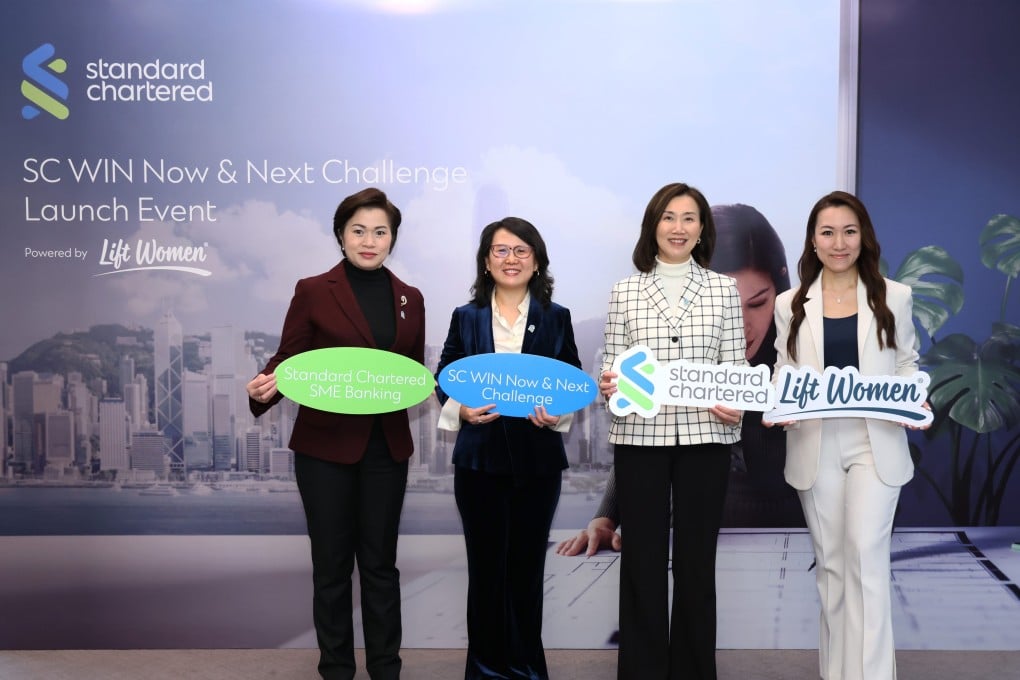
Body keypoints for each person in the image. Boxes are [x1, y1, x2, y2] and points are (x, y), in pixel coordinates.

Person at [246, 187, 424, 680]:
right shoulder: (312, 290)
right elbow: (290, 358)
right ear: (341, 235)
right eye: (359, 230)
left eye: (380, 232)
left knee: (381, 568)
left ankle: (387, 669)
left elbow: (411, 375)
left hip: (387, 448)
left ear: (393, 238)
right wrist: (266, 390)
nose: (370, 241)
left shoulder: (411, 298)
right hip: (324, 450)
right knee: (330, 570)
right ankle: (336, 670)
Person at [556, 203, 799, 558]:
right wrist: (606, 518)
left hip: (785, 540)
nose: (742, 326)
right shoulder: (670, 345)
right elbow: (641, 434)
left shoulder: (800, 352)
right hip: (679, 537)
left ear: (779, 289)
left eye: (757, 304)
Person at [766, 190, 925, 680]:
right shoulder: (790, 303)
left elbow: (906, 362)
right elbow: (784, 369)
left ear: (864, 238)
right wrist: (778, 405)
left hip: (874, 440)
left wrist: (910, 398)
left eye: (849, 231)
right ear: (813, 241)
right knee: (832, 566)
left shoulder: (893, 295)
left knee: (866, 557)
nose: (839, 242)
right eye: (828, 232)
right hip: (814, 442)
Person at [599, 183, 746, 679]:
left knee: (696, 562)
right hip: (640, 439)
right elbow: (611, 365)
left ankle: (693, 670)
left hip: (707, 438)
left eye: (689, 218)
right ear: (652, 225)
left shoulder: (724, 288)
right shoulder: (625, 290)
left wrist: (737, 403)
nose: (678, 228)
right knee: (640, 561)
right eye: (668, 217)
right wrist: (609, 383)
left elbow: (736, 367)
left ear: (702, 228)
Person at [435, 217, 582, 680]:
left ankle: (526, 669)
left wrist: (555, 413)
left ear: (536, 261)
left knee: (525, 573)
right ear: (486, 261)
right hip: (478, 464)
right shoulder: (467, 316)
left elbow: (571, 379)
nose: (511, 259)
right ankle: (485, 671)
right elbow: (446, 375)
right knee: (485, 574)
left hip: (538, 466)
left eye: (521, 250)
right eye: (500, 250)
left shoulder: (557, 318)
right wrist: (461, 410)